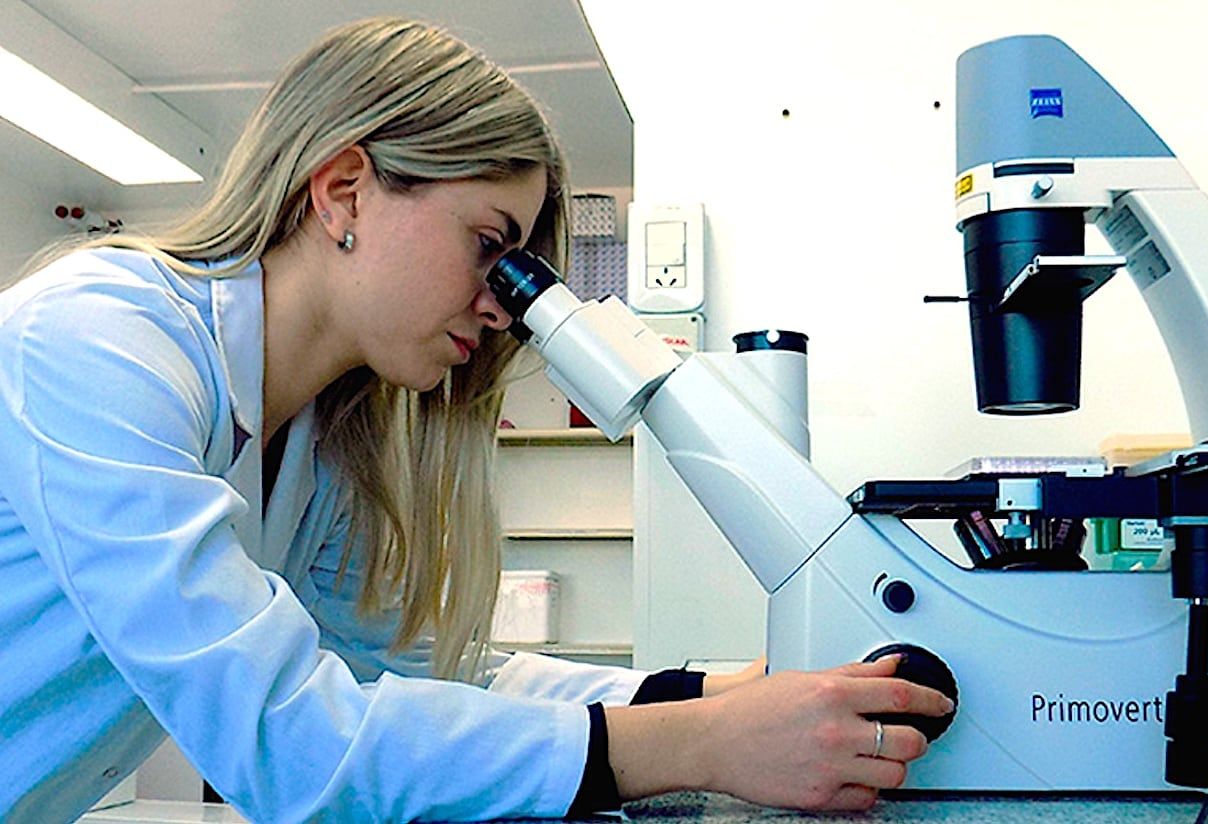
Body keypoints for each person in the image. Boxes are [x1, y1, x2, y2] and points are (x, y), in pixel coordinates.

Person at [0, 16, 954, 822]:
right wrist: (697, 744)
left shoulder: (318, 438)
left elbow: (417, 675)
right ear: (345, 192)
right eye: (491, 246)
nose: (504, 308)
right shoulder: (96, 341)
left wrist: (710, 695)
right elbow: (289, 741)